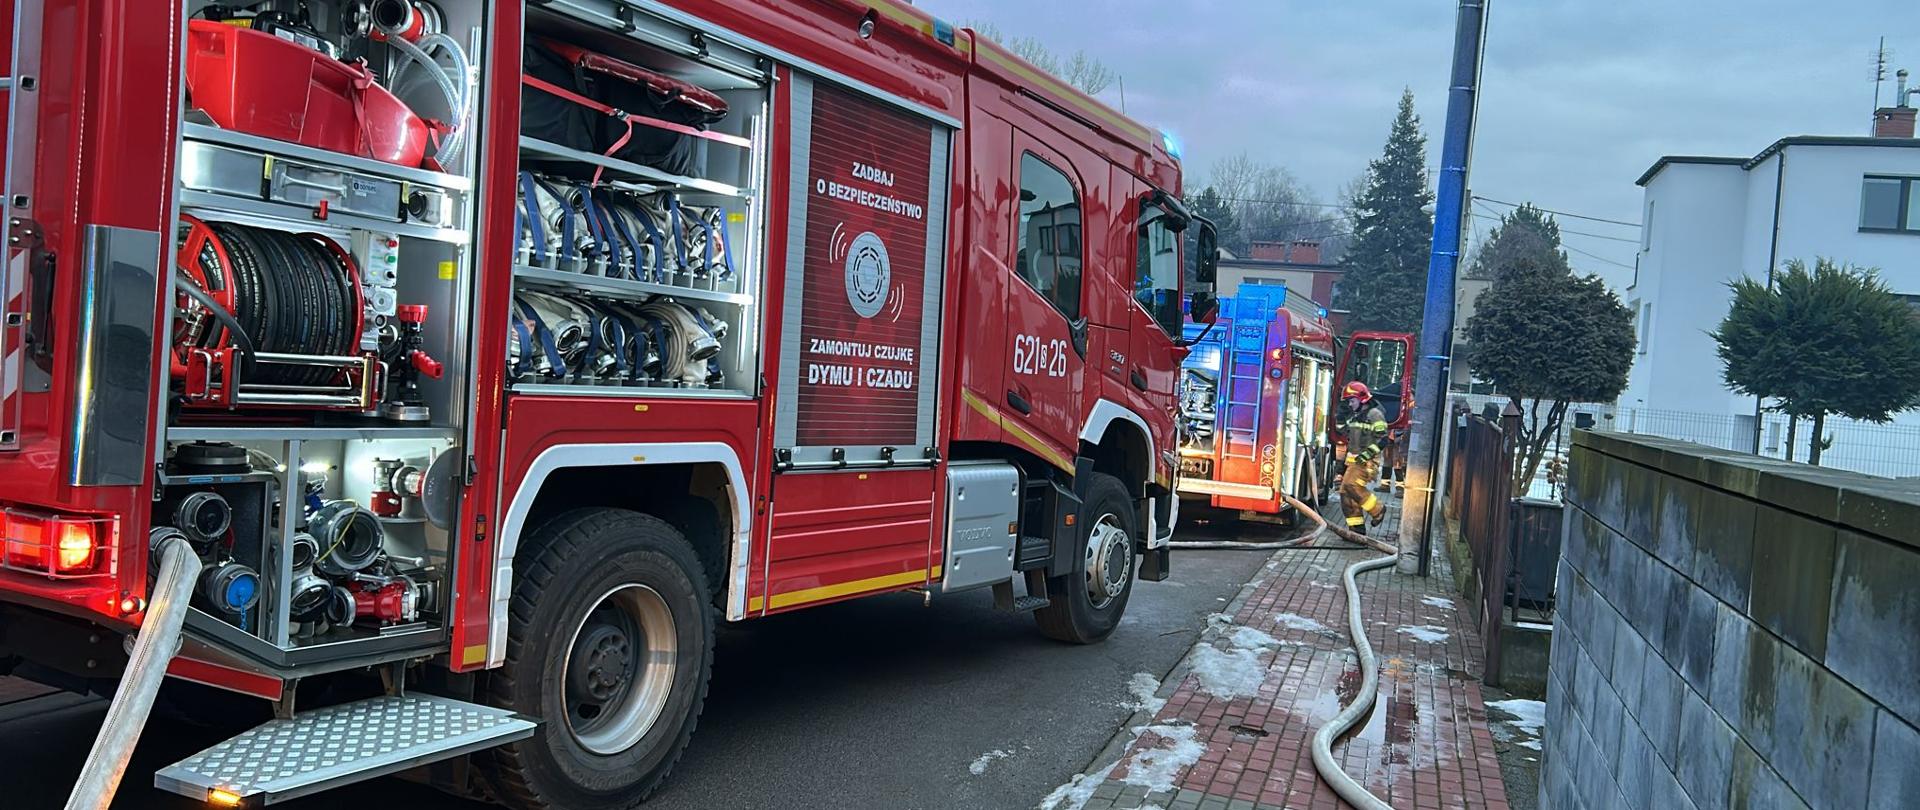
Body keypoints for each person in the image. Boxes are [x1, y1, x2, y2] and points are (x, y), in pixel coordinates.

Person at [1338, 381, 1389, 532]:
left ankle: (1378, 510)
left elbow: (1383, 439)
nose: (1350, 404)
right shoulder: (1356, 416)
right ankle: (1357, 528)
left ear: (1362, 399)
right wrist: (1340, 417)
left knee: (1351, 486)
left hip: (1367, 462)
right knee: (1345, 493)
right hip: (1355, 461)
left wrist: (1367, 454)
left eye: (1352, 401)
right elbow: (1344, 433)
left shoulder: (1375, 414)